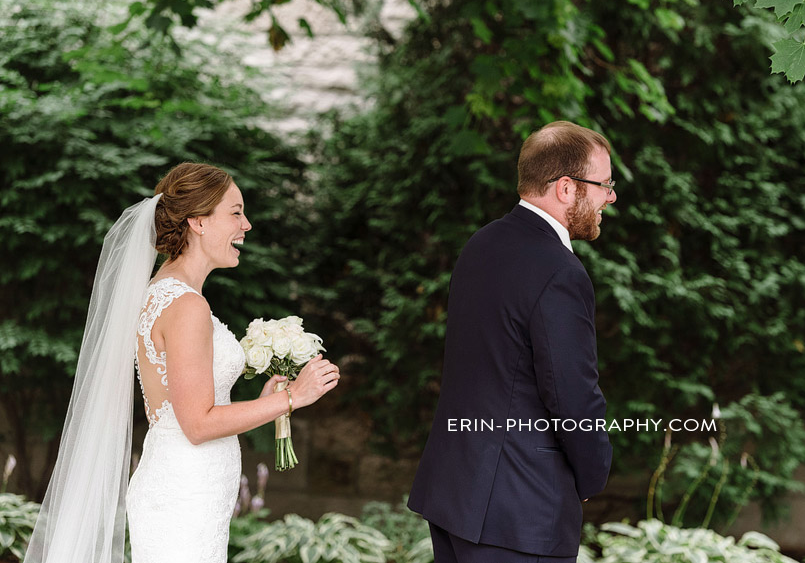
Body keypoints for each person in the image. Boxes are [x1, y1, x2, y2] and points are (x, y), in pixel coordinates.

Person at [23, 162, 340, 563]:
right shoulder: (187, 305)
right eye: (236, 212)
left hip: (187, 487)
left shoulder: (165, 293)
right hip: (185, 495)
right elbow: (197, 424)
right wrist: (292, 397)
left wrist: (264, 400)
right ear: (198, 222)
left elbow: (190, 412)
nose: (247, 225)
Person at [407, 121, 616, 563]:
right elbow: (572, 396)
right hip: (520, 510)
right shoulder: (560, 271)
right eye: (604, 184)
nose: (610, 197)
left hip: (454, 492)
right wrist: (591, 475)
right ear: (565, 187)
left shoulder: (482, 243)